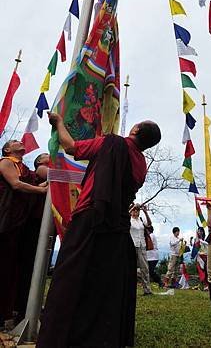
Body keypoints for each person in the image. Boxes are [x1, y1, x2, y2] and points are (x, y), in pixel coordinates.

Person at [36, 113, 161, 348]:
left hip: (91, 216)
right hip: (117, 227)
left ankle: (60, 336)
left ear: (134, 130)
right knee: (102, 283)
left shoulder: (112, 143)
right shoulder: (141, 165)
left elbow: (71, 146)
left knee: (70, 275)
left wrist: (60, 123)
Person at [0, 140, 47, 329]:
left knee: (12, 269)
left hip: (19, 223)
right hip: (6, 219)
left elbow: (36, 183)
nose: (19, 141)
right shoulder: (5, 161)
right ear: (7, 149)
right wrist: (41, 190)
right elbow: (16, 184)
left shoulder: (25, 168)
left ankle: (7, 312)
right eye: (14, 141)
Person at [14, 153, 50, 323]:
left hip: (42, 223)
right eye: (46, 154)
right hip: (35, 223)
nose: (49, 155)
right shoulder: (42, 169)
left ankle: (26, 305)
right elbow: (53, 175)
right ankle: (23, 307)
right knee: (30, 264)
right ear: (39, 162)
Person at [130, 203, 152, 295]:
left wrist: (145, 212)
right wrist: (132, 207)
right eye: (134, 210)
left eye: (137, 210)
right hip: (132, 244)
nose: (136, 212)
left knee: (145, 268)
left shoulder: (141, 220)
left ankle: (147, 290)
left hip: (141, 245)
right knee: (130, 267)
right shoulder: (129, 220)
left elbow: (149, 224)